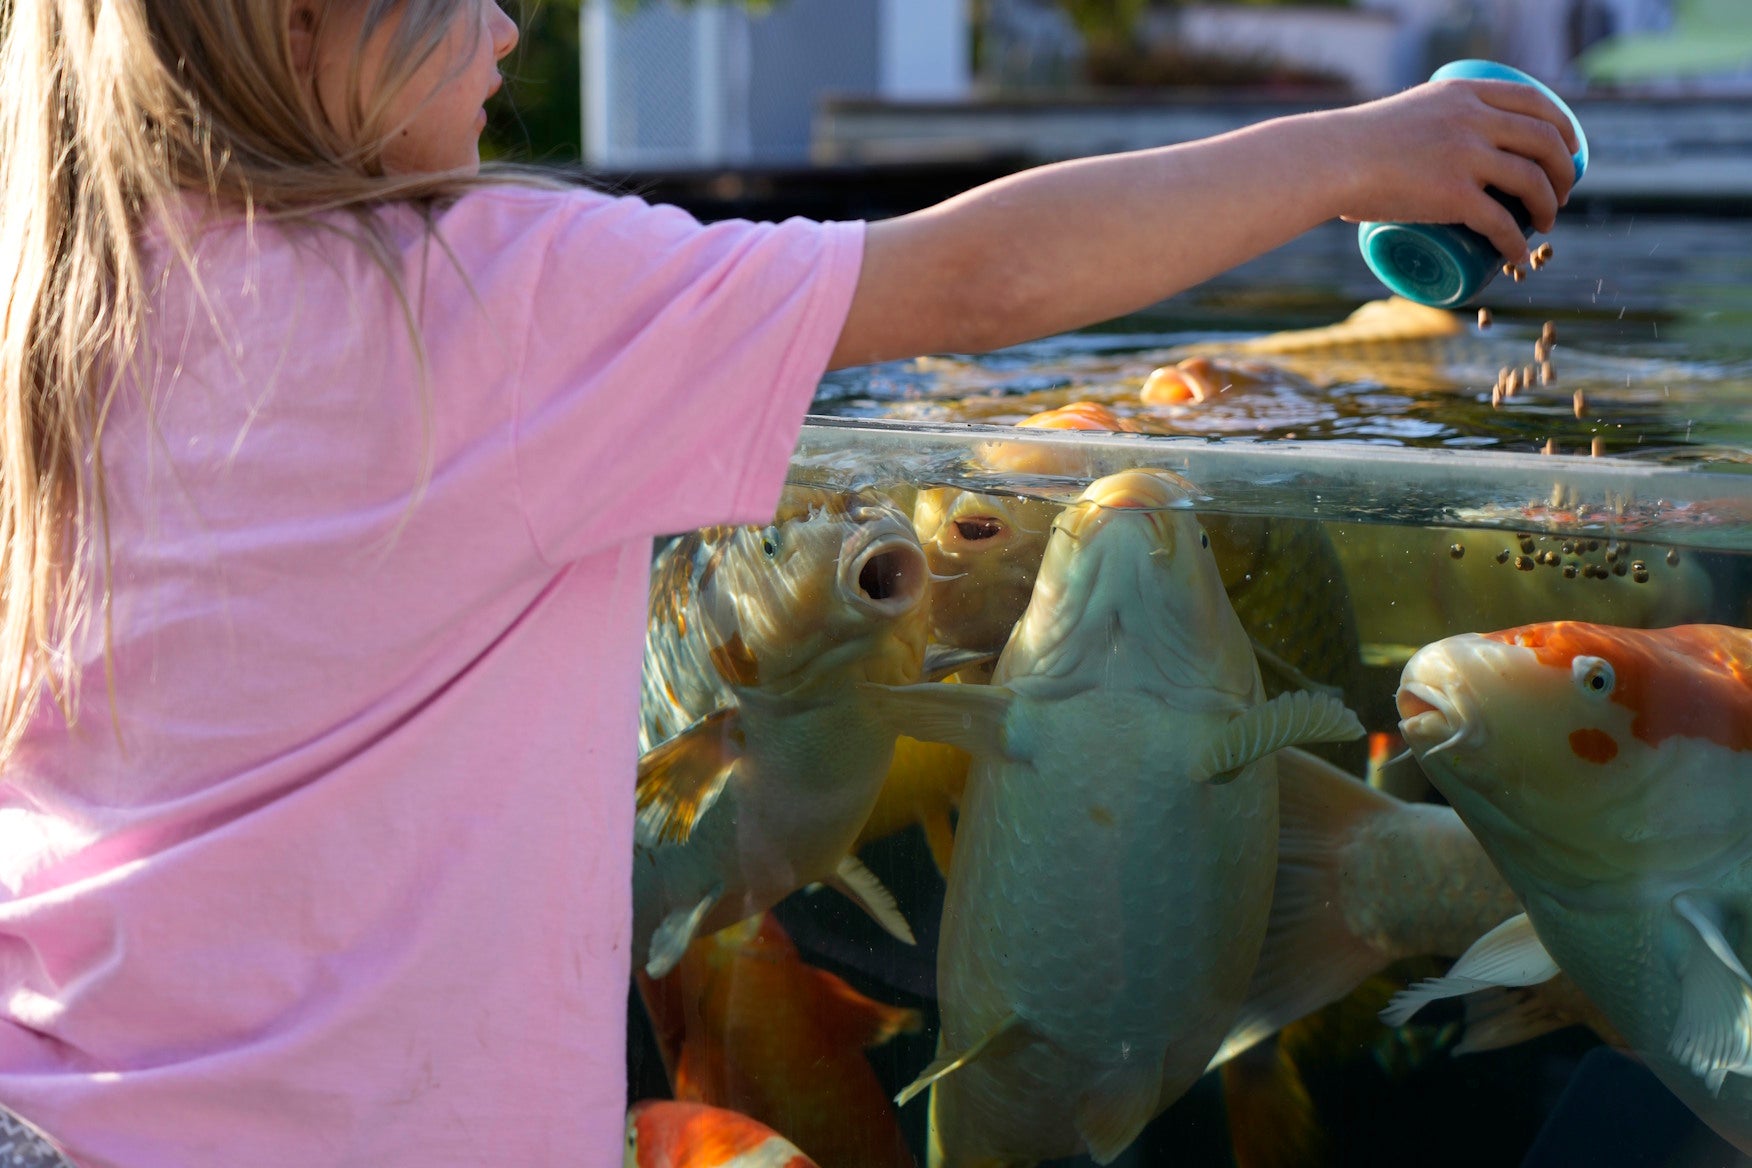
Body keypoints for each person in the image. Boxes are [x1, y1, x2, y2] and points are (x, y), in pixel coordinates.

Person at [0, 0, 1579, 1164]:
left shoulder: (50, 317)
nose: (515, 22)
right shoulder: (484, 304)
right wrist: (1358, 155)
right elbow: (977, 275)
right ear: (308, 27)